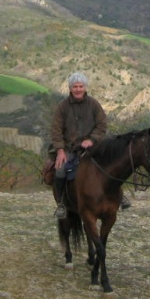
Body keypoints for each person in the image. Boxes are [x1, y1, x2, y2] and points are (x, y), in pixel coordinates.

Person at [49, 72, 110, 219]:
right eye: (75, 86)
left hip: (92, 147)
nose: (78, 89)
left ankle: (118, 196)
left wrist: (92, 139)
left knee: (111, 164)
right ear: (70, 88)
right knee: (60, 170)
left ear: (85, 87)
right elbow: (56, 130)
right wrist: (60, 150)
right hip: (70, 149)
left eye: (80, 86)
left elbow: (102, 125)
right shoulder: (62, 107)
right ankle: (61, 203)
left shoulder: (94, 104)